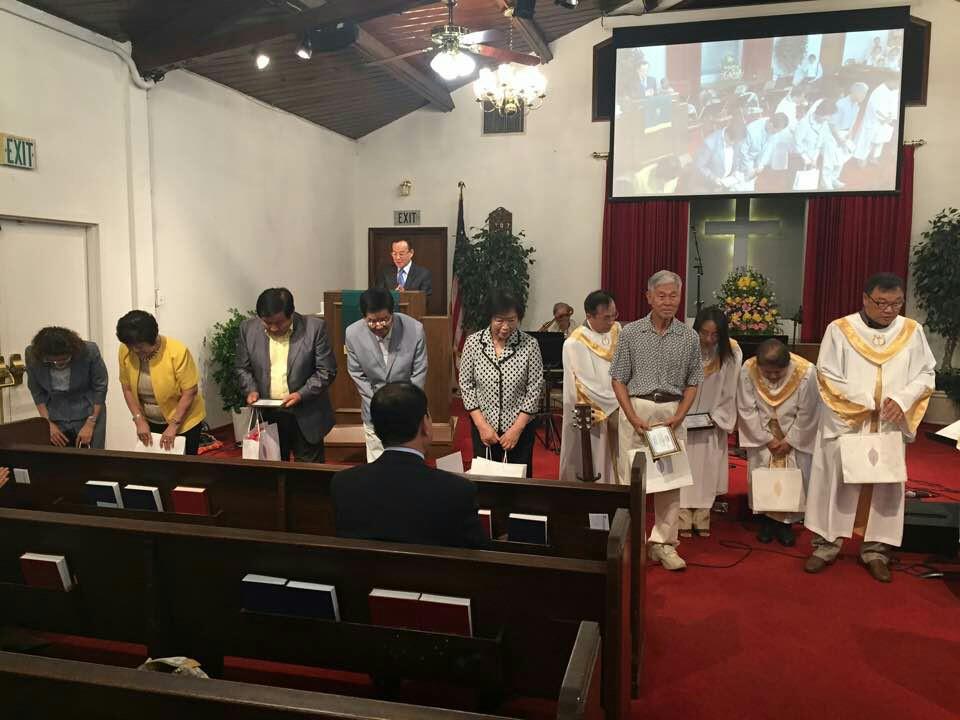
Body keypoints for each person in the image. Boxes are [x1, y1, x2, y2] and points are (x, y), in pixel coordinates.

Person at [804, 273, 936, 582]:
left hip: (889, 421)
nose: (889, 310)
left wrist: (902, 400)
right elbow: (827, 374)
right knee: (836, 481)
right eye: (882, 303)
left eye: (896, 303)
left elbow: (926, 373)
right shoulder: (840, 330)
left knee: (884, 484)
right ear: (865, 299)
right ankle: (826, 546)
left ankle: (876, 551)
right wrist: (868, 401)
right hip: (849, 420)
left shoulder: (912, 331)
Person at [611, 270, 703, 571]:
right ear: (648, 297)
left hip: (671, 414)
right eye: (661, 295)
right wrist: (632, 415)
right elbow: (618, 378)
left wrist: (680, 415)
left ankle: (664, 543)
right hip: (637, 409)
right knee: (631, 477)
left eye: (673, 295)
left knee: (670, 480)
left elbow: (693, 381)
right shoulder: (630, 333)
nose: (668, 301)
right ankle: (633, 541)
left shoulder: (689, 336)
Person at [331, 383, 489, 548]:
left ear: (375, 430)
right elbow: (478, 552)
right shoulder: (457, 491)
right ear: (425, 426)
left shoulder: (343, 484)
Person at [236, 288, 337, 463]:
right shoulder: (248, 329)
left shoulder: (314, 328)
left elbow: (326, 371)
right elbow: (242, 368)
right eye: (267, 323)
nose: (274, 328)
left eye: (279, 323)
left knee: (309, 472)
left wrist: (301, 394)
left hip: (305, 413)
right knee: (273, 470)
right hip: (268, 414)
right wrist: (251, 389)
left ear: (291, 313)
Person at [738, 339, 820, 546]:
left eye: (778, 372)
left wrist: (790, 440)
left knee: (793, 474)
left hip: (792, 433)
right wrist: (766, 438)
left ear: (787, 364)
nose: (773, 377)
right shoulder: (749, 369)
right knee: (762, 472)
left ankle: (786, 524)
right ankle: (766, 522)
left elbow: (808, 411)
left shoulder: (806, 372)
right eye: (768, 372)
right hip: (763, 434)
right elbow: (746, 408)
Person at [459, 289, 544, 477]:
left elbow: (534, 389)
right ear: (490, 317)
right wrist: (482, 425)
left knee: (518, 483)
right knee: (485, 482)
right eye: (499, 320)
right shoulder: (473, 343)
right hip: (484, 428)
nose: (505, 327)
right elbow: (466, 385)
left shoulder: (530, 345)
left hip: (519, 429)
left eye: (511, 320)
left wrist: (516, 429)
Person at [678, 307, 741, 538]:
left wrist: (718, 417)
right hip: (683, 416)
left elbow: (731, 389)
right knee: (683, 464)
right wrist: (678, 413)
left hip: (712, 419)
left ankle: (703, 513)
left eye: (715, 335)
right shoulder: (684, 345)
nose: (708, 339)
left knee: (707, 465)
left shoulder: (731, 351)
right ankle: (682, 513)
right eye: (704, 333)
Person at [345, 287, 427, 462]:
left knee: (407, 464)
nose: (379, 325)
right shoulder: (352, 334)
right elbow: (357, 373)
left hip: (408, 411)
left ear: (393, 313)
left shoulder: (414, 329)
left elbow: (419, 371)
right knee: (377, 464)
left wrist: (406, 406)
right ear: (363, 317)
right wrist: (379, 405)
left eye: (384, 319)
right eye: (372, 321)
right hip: (374, 409)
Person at [117, 310, 206, 455]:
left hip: (184, 420)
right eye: (130, 346)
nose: (134, 350)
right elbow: (127, 388)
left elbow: (189, 392)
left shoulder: (177, 351)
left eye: (139, 347)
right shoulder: (125, 350)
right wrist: (139, 420)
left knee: (184, 466)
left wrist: (174, 425)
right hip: (150, 420)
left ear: (153, 339)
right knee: (154, 465)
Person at [559, 291, 621, 484]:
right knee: (595, 461)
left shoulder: (617, 330)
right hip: (594, 413)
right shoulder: (575, 343)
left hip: (619, 407)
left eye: (614, 315)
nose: (612, 321)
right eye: (606, 317)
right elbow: (586, 386)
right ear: (589, 316)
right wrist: (618, 404)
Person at [25, 326, 108, 449]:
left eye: (64, 359)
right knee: (60, 457)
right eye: (53, 361)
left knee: (93, 457)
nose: (59, 364)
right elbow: (37, 392)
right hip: (54, 415)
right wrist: (47, 423)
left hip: (89, 412)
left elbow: (100, 387)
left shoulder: (89, 351)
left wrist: (91, 423)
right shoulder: (32, 355)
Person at [852, 76, 900, 166]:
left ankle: (873, 156)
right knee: (868, 139)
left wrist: (891, 116)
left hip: (887, 121)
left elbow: (895, 105)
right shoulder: (879, 91)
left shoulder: (895, 90)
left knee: (880, 139)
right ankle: (861, 158)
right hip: (874, 120)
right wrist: (884, 118)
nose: (898, 86)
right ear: (891, 81)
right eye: (897, 84)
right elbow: (874, 108)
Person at [695, 123, 747, 191]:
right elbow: (700, 166)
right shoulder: (710, 143)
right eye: (733, 142)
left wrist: (735, 170)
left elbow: (737, 157)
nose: (734, 144)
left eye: (737, 142)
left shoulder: (736, 140)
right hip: (711, 184)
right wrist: (713, 178)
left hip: (728, 181)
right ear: (727, 135)